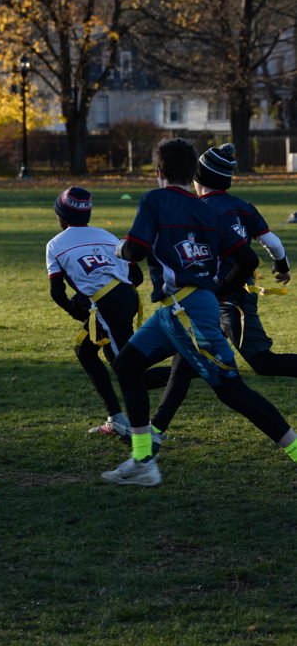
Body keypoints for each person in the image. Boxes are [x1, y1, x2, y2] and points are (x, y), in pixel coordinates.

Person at [102, 138, 297, 486]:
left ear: (159, 171)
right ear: (192, 171)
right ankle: (143, 458)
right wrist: (217, 290)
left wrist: (117, 247)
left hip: (188, 311)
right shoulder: (208, 211)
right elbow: (248, 259)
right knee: (126, 366)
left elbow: (135, 251)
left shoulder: (155, 199)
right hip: (174, 310)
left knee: (233, 392)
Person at [150, 142, 297, 441]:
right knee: (185, 361)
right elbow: (273, 244)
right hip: (230, 296)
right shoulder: (244, 206)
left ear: (198, 177)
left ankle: (148, 418)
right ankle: (154, 429)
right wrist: (282, 266)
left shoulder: (194, 209)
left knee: (262, 362)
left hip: (224, 300)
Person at [46, 186, 170, 441]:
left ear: (61, 216)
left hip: (107, 305)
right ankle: (116, 418)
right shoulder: (107, 235)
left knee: (128, 371)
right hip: (124, 297)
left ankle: (188, 370)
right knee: (85, 351)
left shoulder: (55, 244)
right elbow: (136, 275)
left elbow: (57, 293)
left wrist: (75, 309)